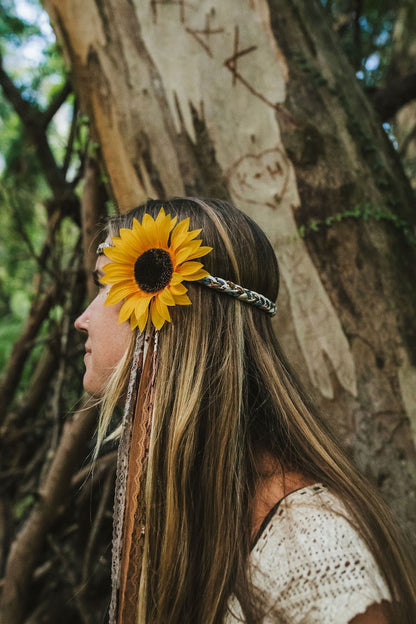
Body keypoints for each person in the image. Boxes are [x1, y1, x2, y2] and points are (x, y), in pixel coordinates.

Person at [75, 197, 416, 624]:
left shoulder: (313, 551)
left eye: (106, 285)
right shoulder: (199, 506)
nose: (82, 320)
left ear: (158, 296)